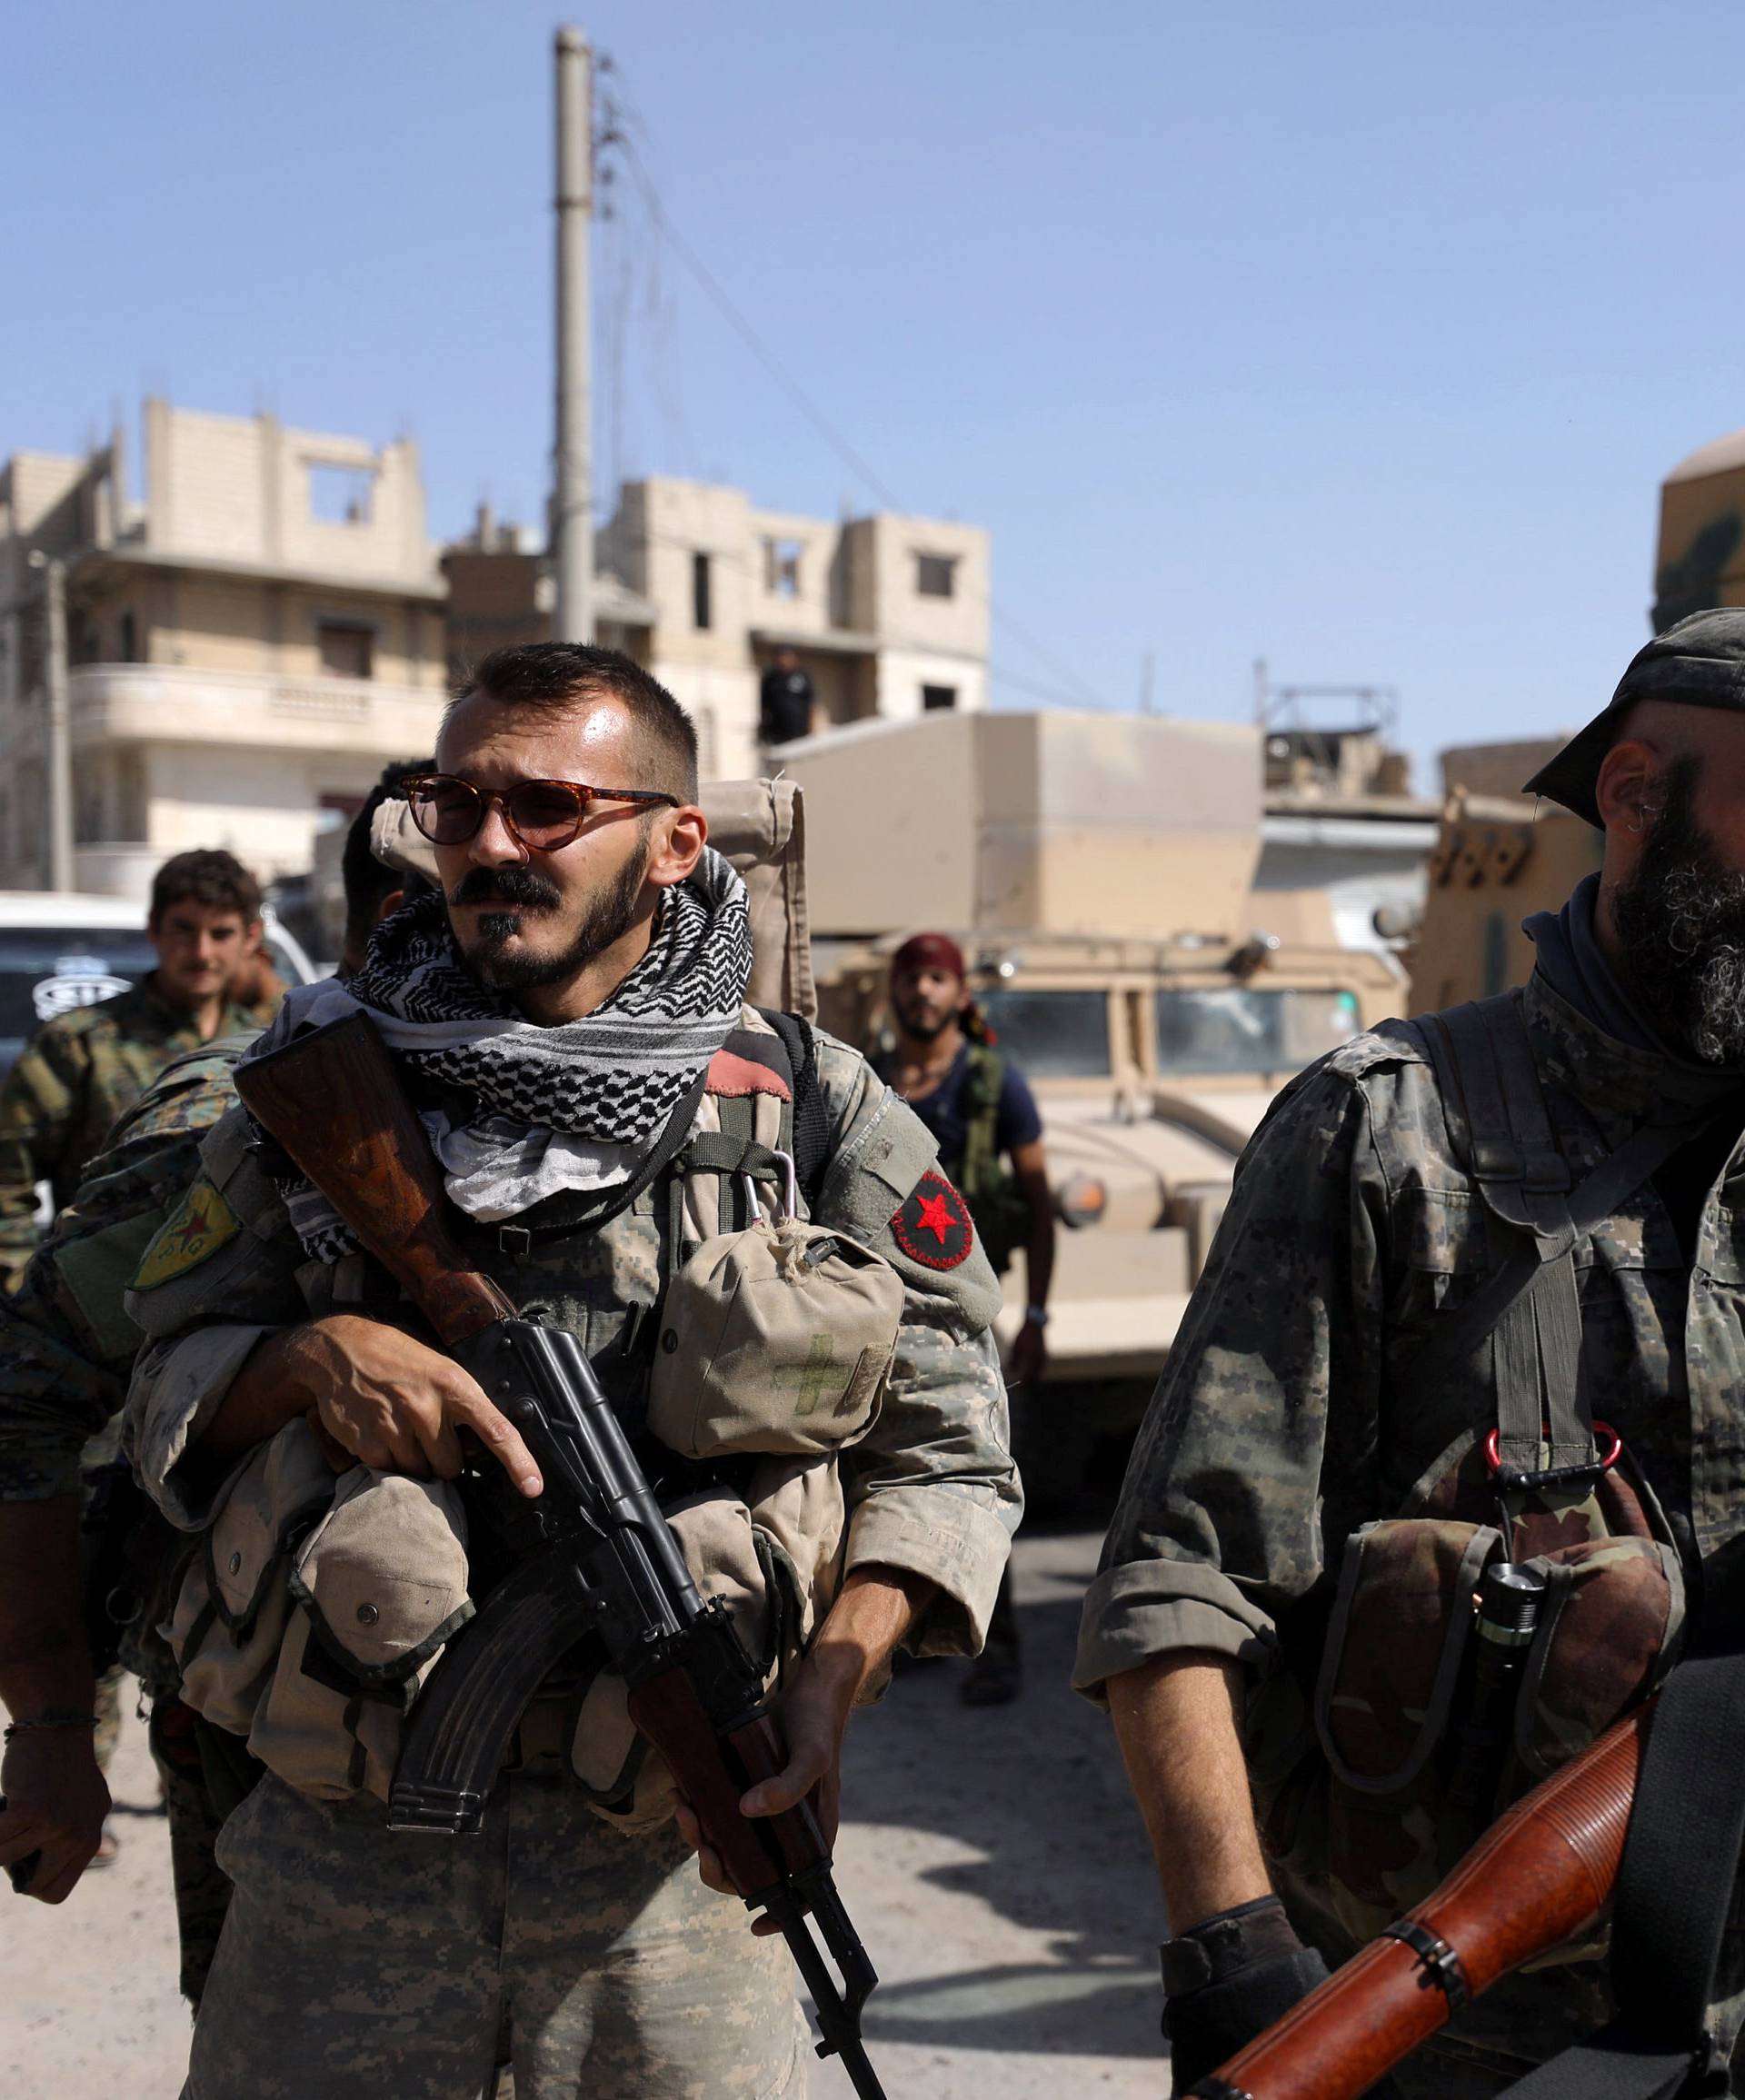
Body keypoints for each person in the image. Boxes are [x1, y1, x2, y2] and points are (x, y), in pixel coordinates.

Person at [115, 643, 1016, 2099]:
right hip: (345, 1857)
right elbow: (153, 1384)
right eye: (454, 801)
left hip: (665, 1867)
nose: (486, 842)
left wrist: (833, 1679)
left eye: (545, 805)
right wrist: (305, 1361)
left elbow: (952, 1448)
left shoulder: (808, 1108)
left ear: (675, 839)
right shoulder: (314, 1086)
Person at [1075, 607, 1745, 2097]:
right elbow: (1182, 1579)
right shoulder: (1386, 1129)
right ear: (1637, 794)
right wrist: (1234, 1963)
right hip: (1478, 2031)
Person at [0, 762, 429, 2003]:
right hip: (280, 1729)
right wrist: (46, 1721)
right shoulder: (227, 1094)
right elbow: (31, 1380)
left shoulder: (663, 1108)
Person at [874, 932, 1053, 1705]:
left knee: (977, 1475)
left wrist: (1041, 1313)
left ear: (960, 992)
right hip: (879, 1306)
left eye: (937, 978)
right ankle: (893, 1639)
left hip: (969, 1315)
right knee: (879, 1473)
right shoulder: (871, 1081)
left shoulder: (992, 1082)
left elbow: (1041, 1207)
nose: (923, 992)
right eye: (911, 978)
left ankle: (996, 1647)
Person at [0, 849, 274, 1293]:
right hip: (101, 1301)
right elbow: (8, 1176)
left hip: (231, 1304)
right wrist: (23, 1290)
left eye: (220, 933)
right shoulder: (82, 1042)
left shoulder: (267, 1044)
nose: (201, 952)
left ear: (250, 937)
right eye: (184, 929)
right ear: (154, 929)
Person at [759, 644, 816, 749]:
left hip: (799, 730)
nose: (783, 660)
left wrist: (811, 727)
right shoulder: (771, 678)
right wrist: (762, 729)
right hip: (777, 731)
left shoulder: (801, 676)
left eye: (786, 656)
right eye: (781, 656)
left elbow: (811, 703)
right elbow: (763, 705)